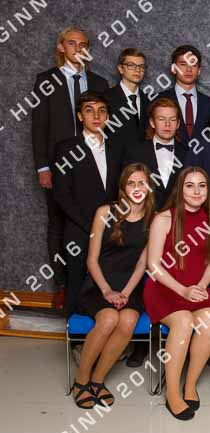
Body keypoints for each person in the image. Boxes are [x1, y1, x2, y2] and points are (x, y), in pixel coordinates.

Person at [32, 26, 109, 308]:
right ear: (61, 47)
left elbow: (108, 124)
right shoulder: (46, 80)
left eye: (84, 44)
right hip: (59, 163)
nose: (79, 48)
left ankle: (91, 281)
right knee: (58, 223)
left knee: (93, 221)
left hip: (92, 163)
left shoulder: (99, 83)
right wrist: (43, 167)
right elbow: (39, 126)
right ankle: (63, 284)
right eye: (72, 43)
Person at [70, 163, 155, 409]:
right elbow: (91, 260)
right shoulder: (104, 212)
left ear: (149, 187)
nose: (137, 188)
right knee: (108, 319)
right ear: (123, 187)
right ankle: (81, 381)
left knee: (127, 320)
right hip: (99, 283)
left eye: (141, 183)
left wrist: (126, 293)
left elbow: (142, 264)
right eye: (131, 183)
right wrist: (107, 290)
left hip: (130, 285)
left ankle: (98, 380)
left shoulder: (153, 218)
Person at [144, 167, 210, 420]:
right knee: (184, 321)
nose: (196, 191)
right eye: (190, 185)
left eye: (202, 185)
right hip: (165, 289)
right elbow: (153, 265)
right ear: (180, 189)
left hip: (195, 288)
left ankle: (190, 384)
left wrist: (201, 286)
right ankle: (173, 392)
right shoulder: (163, 219)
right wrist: (182, 290)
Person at [52, 91, 122, 317]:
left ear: (108, 116)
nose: (96, 116)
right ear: (80, 116)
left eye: (102, 111)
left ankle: (105, 330)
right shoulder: (66, 148)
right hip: (79, 230)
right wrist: (90, 225)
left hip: (111, 230)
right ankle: (74, 335)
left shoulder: (117, 148)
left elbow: (121, 191)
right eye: (89, 111)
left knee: (108, 284)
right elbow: (61, 195)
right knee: (76, 283)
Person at [122, 97, 188, 211]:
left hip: (178, 217)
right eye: (161, 119)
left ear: (178, 124)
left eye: (172, 120)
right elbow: (126, 188)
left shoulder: (187, 153)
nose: (167, 124)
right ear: (152, 122)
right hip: (144, 216)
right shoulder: (135, 152)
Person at [160, 45, 210, 149]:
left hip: (202, 158)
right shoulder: (159, 100)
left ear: (199, 70)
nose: (189, 69)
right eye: (183, 64)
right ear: (174, 68)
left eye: (193, 65)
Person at [104, 48, 150, 152]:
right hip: (115, 157)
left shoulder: (148, 100)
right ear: (120, 68)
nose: (137, 70)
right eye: (131, 65)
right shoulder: (106, 98)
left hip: (142, 158)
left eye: (141, 66)